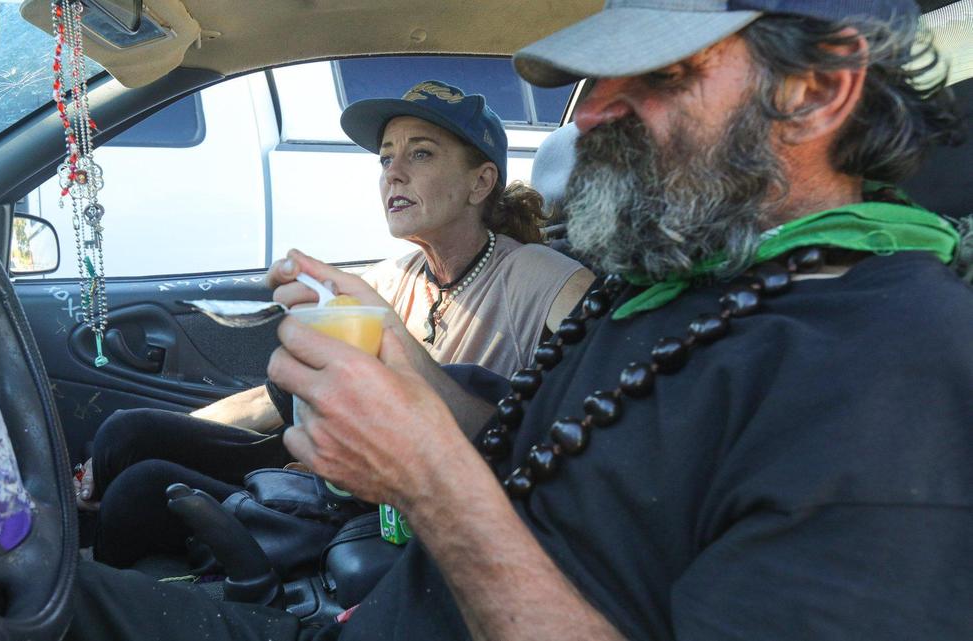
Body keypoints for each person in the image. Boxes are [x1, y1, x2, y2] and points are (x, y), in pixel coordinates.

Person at [67, 1, 973, 639]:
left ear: (816, 91)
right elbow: (527, 449)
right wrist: (396, 352)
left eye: (661, 74)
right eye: (602, 77)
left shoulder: (891, 371)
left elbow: (470, 490)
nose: (595, 110)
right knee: (17, 589)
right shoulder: (676, 285)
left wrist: (431, 485)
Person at [77, 80, 593, 567]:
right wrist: (189, 425)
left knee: (140, 492)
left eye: (421, 154)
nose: (393, 174)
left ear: (480, 182)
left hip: (389, 510)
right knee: (125, 433)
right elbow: (273, 401)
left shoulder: (543, 276)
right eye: (386, 157)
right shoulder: (390, 278)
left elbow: (578, 408)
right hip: (323, 472)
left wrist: (391, 343)